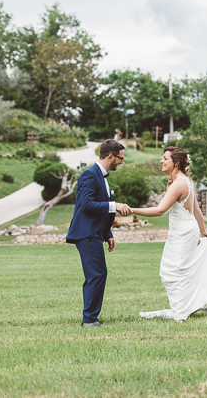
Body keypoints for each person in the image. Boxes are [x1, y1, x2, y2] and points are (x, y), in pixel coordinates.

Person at [130, 146, 207, 322]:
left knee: (171, 271)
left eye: (165, 158)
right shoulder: (186, 181)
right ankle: (183, 307)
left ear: (176, 162)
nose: (161, 161)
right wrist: (203, 230)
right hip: (186, 229)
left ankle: (181, 312)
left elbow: (160, 211)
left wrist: (131, 210)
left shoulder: (179, 183)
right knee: (179, 270)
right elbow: (196, 208)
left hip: (183, 232)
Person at [66, 139, 132, 327]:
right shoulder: (89, 175)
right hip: (86, 233)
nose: (121, 162)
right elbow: (86, 205)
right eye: (120, 158)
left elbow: (100, 211)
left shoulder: (101, 176)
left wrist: (108, 234)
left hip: (95, 233)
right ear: (110, 156)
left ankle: (90, 317)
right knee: (97, 274)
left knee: (96, 274)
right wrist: (115, 205)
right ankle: (89, 319)